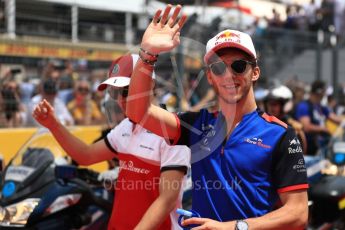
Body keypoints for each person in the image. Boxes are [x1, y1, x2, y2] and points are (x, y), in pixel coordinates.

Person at [127, 4, 309, 229]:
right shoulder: (197, 124)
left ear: (255, 72)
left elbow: (298, 213)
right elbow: (138, 112)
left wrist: (230, 227)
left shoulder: (280, 135)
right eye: (218, 67)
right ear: (211, 77)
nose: (228, 75)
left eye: (239, 66)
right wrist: (147, 54)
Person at [32, 53, 190, 230]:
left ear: (149, 86)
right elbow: (86, 155)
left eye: (126, 91)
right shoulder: (126, 126)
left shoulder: (174, 132)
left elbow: (167, 200)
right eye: (115, 93)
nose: (121, 100)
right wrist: (53, 125)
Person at [295, 80, 343, 156]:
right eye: (322, 94)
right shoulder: (304, 106)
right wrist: (323, 129)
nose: (323, 96)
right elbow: (306, 127)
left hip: (321, 147)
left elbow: (335, 118)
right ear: (318, 93)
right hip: (307, 149)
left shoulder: (320, 106)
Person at [264, 85, 307, 153]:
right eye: (269, 104)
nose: (271, 108)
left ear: (283, 106)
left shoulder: (293, 127)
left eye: (275, 104)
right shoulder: (262, 123)